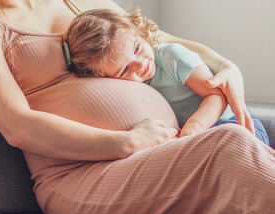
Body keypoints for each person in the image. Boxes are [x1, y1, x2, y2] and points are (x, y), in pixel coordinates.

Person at [0, 0, 275, 214]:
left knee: (235, 146)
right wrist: (124, 142)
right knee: (227, 147)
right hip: (77, 177)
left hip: (149, 154)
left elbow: (159, 40)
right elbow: (17, 125)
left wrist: (228, 67)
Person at [62, 9, 270, 145]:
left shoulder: (171, 57)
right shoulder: (126, 89)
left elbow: (217, 96)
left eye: (137, 48)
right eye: (125, 70)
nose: (141, 64)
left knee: (231, 148)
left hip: (234, 123)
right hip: (198, 138)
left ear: (138, 32)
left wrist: (196, 125)